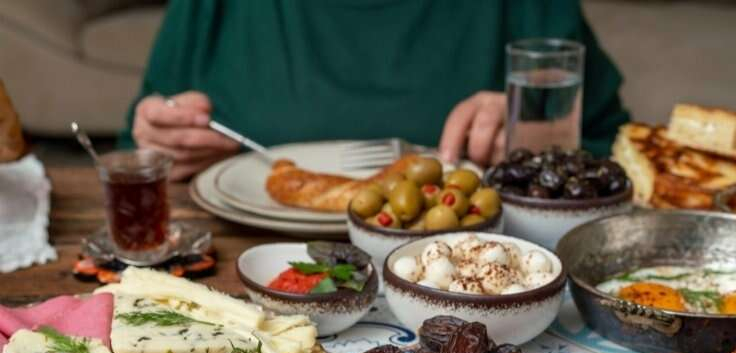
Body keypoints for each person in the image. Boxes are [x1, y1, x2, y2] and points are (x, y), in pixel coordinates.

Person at [120, 0, 629, 181]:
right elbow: (138, 145)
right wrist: (161, 141)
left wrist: (540, 140)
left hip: (477, 281)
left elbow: (616, 146)